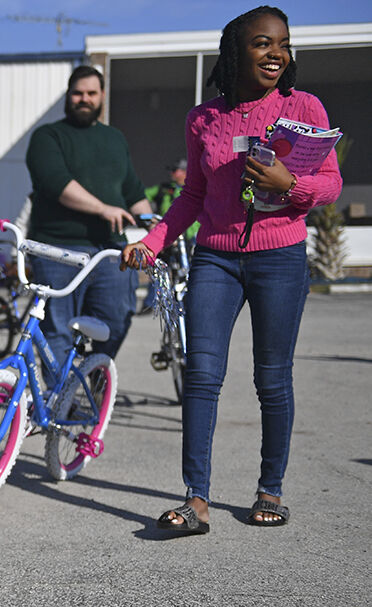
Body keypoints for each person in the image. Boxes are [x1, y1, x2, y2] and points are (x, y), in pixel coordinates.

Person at [121, 5, 342, 534]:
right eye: (263, 43)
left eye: (283, 44)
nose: (276, 54)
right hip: (215, 257)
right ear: (236, 51)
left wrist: (288, 183)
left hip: (280, 256)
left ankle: (270, 489)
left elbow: (330, 184)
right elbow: (193, 194)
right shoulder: (204, 119)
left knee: (272, 378)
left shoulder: (304, 106)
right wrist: (153, 240)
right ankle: (196, 500)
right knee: (201, 375)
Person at [25, 65, 153, 360]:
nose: (85, 99)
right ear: (68, 96)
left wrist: (158, 230)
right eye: (78, 93)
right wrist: (102, 208)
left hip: (109, 250)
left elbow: (133, 192)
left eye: (91, 93)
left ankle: (94, 379)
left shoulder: (115, 139)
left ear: (102, 96)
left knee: (117, 319)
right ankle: (61, 402)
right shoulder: (47, 136)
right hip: (57, 248)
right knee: (57, 329)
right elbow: (56, 183)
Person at [139, 159, 199, 313]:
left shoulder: (196, 188)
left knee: (191, 272)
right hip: (166, 236)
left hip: (189, 238)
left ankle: (190, 304)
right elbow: (140, 195)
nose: (172, 173)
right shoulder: (164, 189)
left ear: (186, 172)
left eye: (176, 170)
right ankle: (151, 304)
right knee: (159, 269)